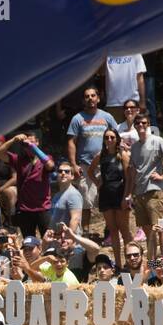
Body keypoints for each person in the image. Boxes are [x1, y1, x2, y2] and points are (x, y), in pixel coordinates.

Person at [124, 112, 163, 260]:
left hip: (153, 192)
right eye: (138, 123)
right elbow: (133, 172)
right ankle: (153, 264)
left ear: (148, 125)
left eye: (144, 123)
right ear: (134, 126)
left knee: (160, 227)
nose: (141, 125)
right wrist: (130, 193)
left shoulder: (157, 140)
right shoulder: (134, 147)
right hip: (139, 193)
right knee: (149, 231)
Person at [66, 87, 118, 224]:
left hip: (106, 164)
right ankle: (86, 232)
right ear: (83, 100)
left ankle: (109, 231)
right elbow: (71, 142)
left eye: (93, 95)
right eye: (87, 96)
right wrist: (73, 164)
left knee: (109, 198)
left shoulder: (107, 117)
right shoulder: (77, 119)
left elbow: (117, 137)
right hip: (85, 165)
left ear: (98, 98)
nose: (90, 98)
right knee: (85, 202)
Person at [90, 128, 130, 270]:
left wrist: (127, 196)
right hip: (106, 194)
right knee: (112, 230)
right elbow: (90, 171)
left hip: (120, 193)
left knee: (124, 230)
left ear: (117, 139)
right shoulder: (101, 155)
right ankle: (118, 264)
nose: (109, 140)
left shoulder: (123, 155)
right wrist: (98, 183)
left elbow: (129, 177)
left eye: (112, 137)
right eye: (106, 137)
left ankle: (130, 262)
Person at [103, 54, 146, 123]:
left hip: (133, 101)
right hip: (113, 103)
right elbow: (101, 72)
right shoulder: (107, 52)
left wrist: (142, 101)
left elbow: (140, 78)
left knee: (134, 131)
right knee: (115, 132)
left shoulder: (135, 51)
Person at [48, 162, 83, 232]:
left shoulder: (73, 194)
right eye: (60, 171)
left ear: (72, 176)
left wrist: (69, 239)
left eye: (67, 171)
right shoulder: (57, 195)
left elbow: (75, 219)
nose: (63, 173)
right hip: (56, 239)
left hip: (68, 240)